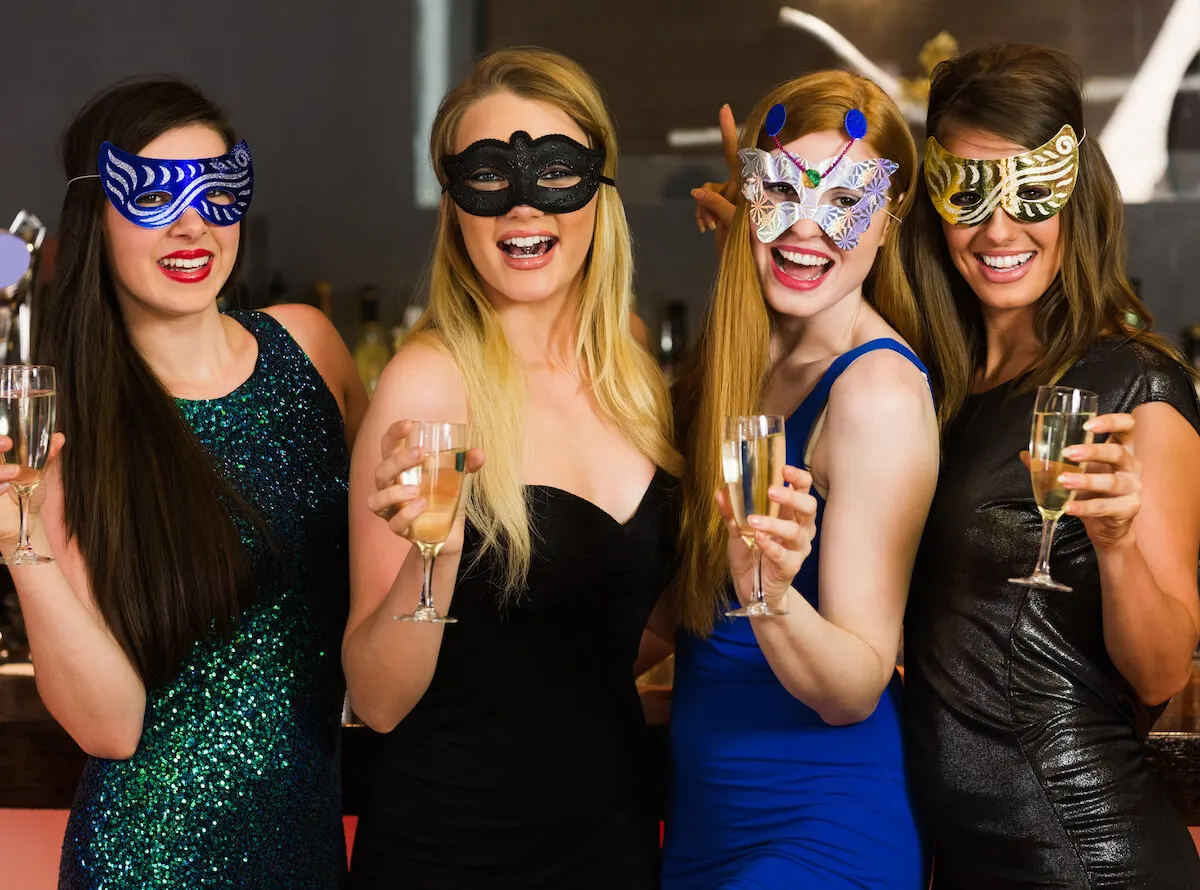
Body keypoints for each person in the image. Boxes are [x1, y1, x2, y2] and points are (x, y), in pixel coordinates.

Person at [1, 77, 365, 888]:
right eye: (155, 196)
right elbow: (111, 726)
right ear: (94, 212)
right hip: (147, 862)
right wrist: (19, 541)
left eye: (217, 189)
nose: (192, 221)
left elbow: (395, 557)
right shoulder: (70, 430)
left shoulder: (311, 351)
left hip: (308, 852)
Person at [342, 48, 688, 889]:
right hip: (454, 850)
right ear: (456, 204)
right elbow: (377, 699)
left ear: (599, 192)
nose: (524, 204)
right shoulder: (430, 382)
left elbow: (624, 621)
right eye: (491, 176)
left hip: (611, 840)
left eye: (556, 171)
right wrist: (439, 555)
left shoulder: (633, 373)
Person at [901, 43, 1200, 888]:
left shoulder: (1137, 382)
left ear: (1079, 196)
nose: (1000, 229)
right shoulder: (936, 386)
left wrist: (1116, 541)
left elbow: (1162, 670)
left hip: (1082, 855)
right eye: (970, 194)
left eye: (1032, 192)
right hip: (961, 855)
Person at [665, 70, 939, 889]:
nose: (808, 227)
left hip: (818, 835)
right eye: (779, 190)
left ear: (888, 221)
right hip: (709, 824)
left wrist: (773, 593)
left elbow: (855, 685)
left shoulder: (876, 395)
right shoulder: (752, 356)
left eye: (845, 202)